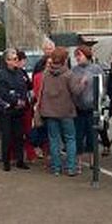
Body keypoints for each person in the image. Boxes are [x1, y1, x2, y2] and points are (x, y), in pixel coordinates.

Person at [39, 47, 84, 177]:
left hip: (50, 112)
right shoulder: (68, 74)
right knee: (70, 139)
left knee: (54, 140)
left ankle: (56, 168)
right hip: (66, 111)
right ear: (65, 60)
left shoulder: (46, 74)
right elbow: (76, 92)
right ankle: (70, 168)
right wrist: (83, 83)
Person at [0, 48, 29, 172]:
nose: (16, 60)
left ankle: (20, 160)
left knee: (19, 136)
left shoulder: (20, 72)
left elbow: (24, 88)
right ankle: (6, 162)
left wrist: (23, 100)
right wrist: (15, 101)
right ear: (7, 61)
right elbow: (3, 93)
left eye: (17, 58)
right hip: (7, 111)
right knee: (7, 136)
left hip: (19, 110)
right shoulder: (0, 75)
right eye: (14, 59)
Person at [71, 45, 104, 172]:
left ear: (87, 55)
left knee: (92, 136)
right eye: (76, 55)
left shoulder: (96, 69)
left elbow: (102, 87)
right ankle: (78, 162)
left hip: (92, 108)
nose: (77, 58)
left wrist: (100, 102)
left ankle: (93, 161)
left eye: (80, 55)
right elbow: (72, 89)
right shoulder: (74, 70)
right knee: (78, 136)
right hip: (78, 109)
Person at [16, 50, 37, 162]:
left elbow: (30, 86)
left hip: (27, 105)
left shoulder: (23, 72)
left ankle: (30, 153)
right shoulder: (15, 73)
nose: (24, 62)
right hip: (18, 106)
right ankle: (17, 155)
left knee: (28, 130)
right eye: (23, 60)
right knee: (19, 132)